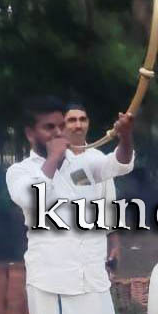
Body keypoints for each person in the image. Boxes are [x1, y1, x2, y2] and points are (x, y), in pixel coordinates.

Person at [6, 96, 136, 314]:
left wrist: (125, 137)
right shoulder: (21, 171)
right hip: (56, 282)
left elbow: (119, 165)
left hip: (91, 277)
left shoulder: (84, 162)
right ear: (30, 133)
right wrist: (53, 157)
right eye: (48, 127)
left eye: (60, 125)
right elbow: (33, 199)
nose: (58, 132)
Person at [64, 102, 120, 277]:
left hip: (93, 251)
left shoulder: (98, 159)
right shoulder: (53, 161)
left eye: (82, 119)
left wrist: (114, 246)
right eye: (72, 120)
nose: (78, 125)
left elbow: (109, 205)